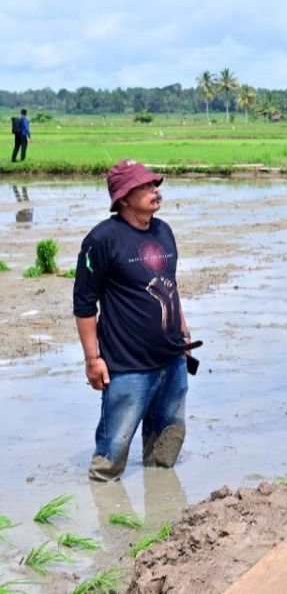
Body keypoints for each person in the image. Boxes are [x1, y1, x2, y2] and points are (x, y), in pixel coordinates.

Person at [73, 160, 194, 481]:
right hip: (127, 369)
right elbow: (84, 305)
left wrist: (185, 336)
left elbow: (171, 287)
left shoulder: (163, 231)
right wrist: (92, 359)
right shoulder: (101, 240)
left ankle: (164, 520)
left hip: (172, 361)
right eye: (145, 186)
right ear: (123, 198)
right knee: (109, 461)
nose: (155, 190)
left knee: (165, 451)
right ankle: (110, 521)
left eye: (155, 183)